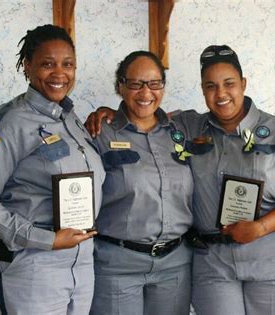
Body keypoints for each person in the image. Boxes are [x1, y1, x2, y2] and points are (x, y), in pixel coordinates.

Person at [86, 45, 275, 315]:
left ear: (244, 84)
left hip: (271, 257)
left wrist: (259, 228)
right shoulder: (188, 127)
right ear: (202, 90)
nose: (221, 93)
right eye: (211, 86)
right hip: (213, 263)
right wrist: (108, 113)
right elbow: (145, 118)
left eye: (229, 84)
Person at [0, 24, 105, 314]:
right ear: (28, 66)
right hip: (32, 265)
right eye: (47, 64)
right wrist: (47, 240)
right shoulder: (6, 123)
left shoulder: (72, 120)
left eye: (67, 64)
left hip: (80, 264)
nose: (59, 74)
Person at [89, 51, 193, 315]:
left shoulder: (183, 130)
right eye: (135, 83)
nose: (146, 92)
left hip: (175, 266)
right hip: (117, 267)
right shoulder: (99, 133)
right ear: (120, 86)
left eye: (154, 83)